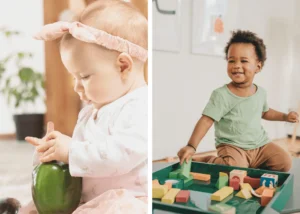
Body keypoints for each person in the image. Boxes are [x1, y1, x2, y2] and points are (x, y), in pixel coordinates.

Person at [20, 0, 148, 213]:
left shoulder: (140, 106)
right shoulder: (91, 111)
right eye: (74, 77)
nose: (76, 87)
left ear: (123, 66)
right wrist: (53, 150)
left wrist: (70, 150)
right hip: (88, 198)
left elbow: (120, 155)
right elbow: (82, 156)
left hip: (127, 201)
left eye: (85, 76)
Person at [178, 30, 298, 172]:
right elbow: (206, 121)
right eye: (231, 60)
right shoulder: (222, 95)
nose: (236, 65)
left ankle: (248, 164)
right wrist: (191, 146)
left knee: (284, 163)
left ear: (258, 67)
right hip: (232, 146)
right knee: (235, 169)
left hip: (260, 145)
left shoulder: (261, 93)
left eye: (244, 61)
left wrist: (284, 116)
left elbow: (265, 112)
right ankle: (209, 160)